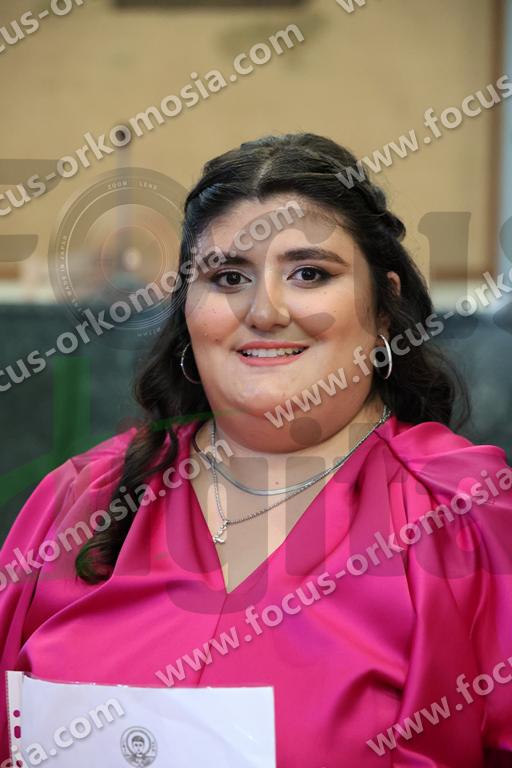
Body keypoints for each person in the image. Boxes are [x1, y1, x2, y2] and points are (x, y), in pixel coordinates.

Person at [1, 133, 512, 767]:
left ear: (384, 307)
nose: (264, 310)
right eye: (228, 277)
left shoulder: (465, 515)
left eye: (309, 273)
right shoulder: (81, 501)